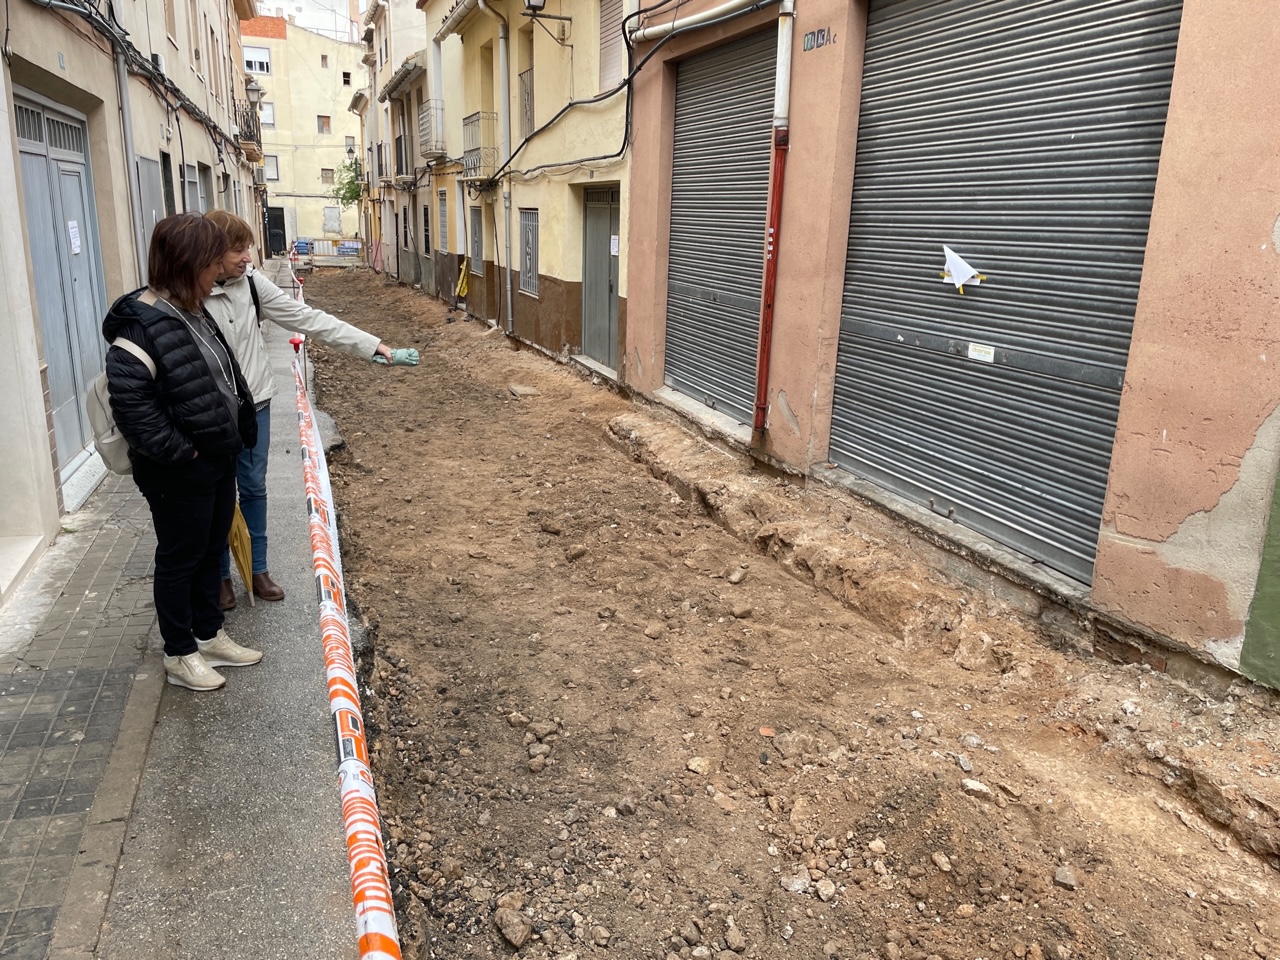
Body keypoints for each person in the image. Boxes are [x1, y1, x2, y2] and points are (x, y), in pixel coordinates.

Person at [202, 210, 417, 609]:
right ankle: (219, 577)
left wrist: (372, 346)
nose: (248, 257)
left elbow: (306, 317)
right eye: (238, 250)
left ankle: (257, 568)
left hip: (254, 405)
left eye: (248, 248)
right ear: (212, 252)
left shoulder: (252, 283)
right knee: (216, 494)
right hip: (209, 413)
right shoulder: (189, 293)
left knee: (253, 487)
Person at [102, 213, 264, 692]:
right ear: (187, 263)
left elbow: (220, 374)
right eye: (212, 263)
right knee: (181, 558)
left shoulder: (193, 307)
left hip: (216, 457)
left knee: (211, 549)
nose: (220, 271)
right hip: (180, 469)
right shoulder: (140, 324)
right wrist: (184, 455)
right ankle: (179, 652)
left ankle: (208, 635)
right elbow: (133, 408)